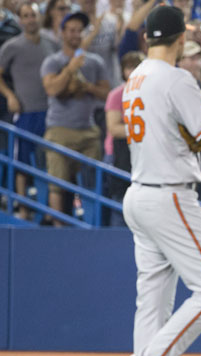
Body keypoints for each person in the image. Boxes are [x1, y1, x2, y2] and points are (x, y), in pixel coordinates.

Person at [121, 6, 201, 356]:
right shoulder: (175, 78)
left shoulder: (136, 77)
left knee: (153, 301)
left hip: (140, 194)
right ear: (182, 37)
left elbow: (189, 137)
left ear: (146, 37)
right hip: (169, 195)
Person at [40, 11, 111, 226]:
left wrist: (86, 86)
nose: (75, 34)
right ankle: (58, 227)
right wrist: (69, 71)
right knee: (57, 182)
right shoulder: (52, 61)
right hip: (59, 130)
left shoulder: (94, 61)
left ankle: (92, 225)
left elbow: (107, 93)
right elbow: (52, 89)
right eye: (71, 30)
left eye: (79, 30)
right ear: (62, 32)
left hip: (88, 130)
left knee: (93, 183)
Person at [0, 2, 59, 219]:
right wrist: (10, 96)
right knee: (22, 163)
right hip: (25, 113)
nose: (30, 20)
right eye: (25, 16)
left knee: (48, 164)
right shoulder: (12, 46)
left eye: (33, 15)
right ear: (20, 20)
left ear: (39, 17)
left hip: (51, 113)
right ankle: (23, 209)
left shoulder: (52, 43)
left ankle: (48, 212)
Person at [104, 50, 144, 226]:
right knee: (120, 203)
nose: (133, 71)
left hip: (143, 156)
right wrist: (146, 129)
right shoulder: (116, 95)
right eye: (129, 67)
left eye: (137, 66)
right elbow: (114, 128)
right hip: (117, 156)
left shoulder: (149, 93)